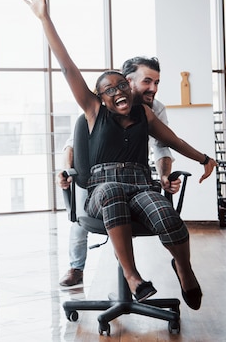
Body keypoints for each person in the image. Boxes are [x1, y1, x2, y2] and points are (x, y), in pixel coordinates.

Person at [24, 0, 217, 310]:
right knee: (112, 191)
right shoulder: (93, 111)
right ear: (100, 97)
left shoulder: (145, 112)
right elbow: (68, 66)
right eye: (109, 89)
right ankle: (132, 277)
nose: (117, 92)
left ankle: (183, 267)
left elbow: (171, 142)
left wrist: (204, 159)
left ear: (129, 86)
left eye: (120, 85)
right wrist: (45, 19)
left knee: (164, 212)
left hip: (141, 184)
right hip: (103, 189)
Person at [56, 56, 181, 287]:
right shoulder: (100, 105)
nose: (153, 88)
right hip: (95, 179)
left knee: (131, 203)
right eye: (147, 82)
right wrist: (67, 171)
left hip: (133, 179)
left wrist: (164, 176)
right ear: (129, 82)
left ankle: (133, 275)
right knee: (84, 213)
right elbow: (73, 141)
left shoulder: (154, 109)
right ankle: (76, 267)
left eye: (156, 82)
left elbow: (163, 145)